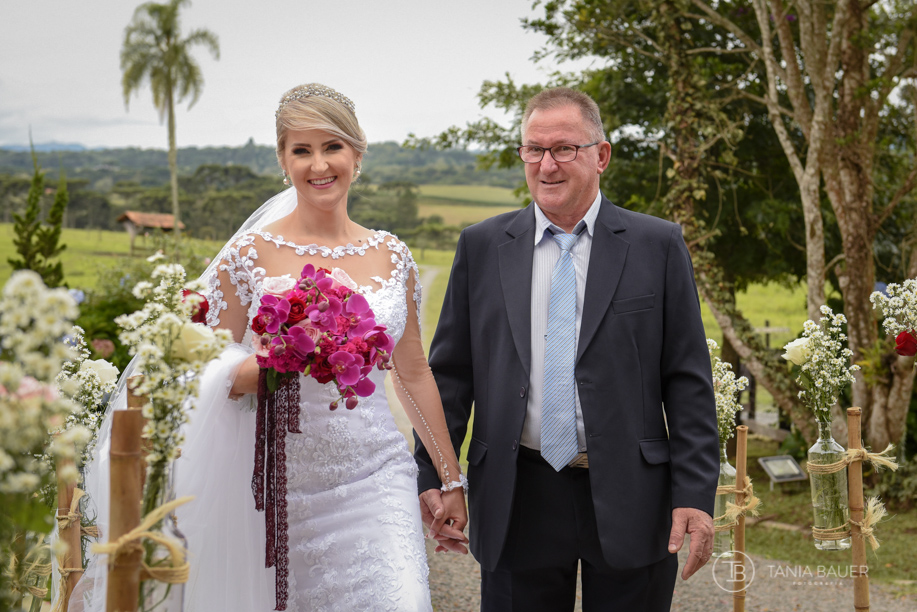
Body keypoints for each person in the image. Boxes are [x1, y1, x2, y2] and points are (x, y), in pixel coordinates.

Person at [74, 83, 467, 612]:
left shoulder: (393, 256)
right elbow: (194, 363)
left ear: (357, 152)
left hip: (377, 477)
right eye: (301, 150)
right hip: (275, 490)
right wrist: (266, 365)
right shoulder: (249, 255)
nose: (318, 164)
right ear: (283, 161)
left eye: (332, 147)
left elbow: (414, 371)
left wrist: (450, 478)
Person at [415, 87, 719, 611]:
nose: (546, 164)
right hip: (518, 491)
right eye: (534, 149)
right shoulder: (482, 246)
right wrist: (436, 473)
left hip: (631, 493)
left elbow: (687, 379)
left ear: (601, 155)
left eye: (563, 149)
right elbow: (451, 376)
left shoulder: (657, 245)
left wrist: (694, 494)